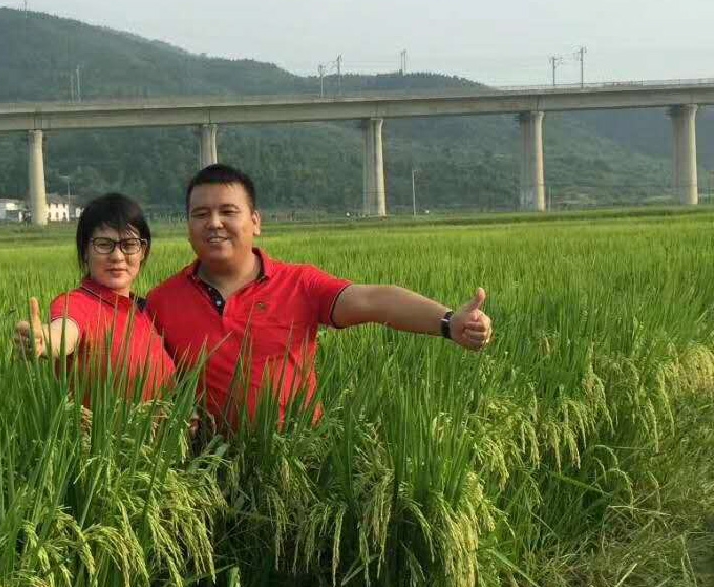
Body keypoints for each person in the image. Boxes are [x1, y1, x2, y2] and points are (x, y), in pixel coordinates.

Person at [146, 164, 493, 430]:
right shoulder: (161, 302)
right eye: (201, 214)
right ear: (188, 226)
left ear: (255, 222)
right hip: (208, 475)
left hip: (297, 462)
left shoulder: (299, 283)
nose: (214, 223)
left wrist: (449, 323)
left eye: (228, 212)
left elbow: (375, 301)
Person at [15, 192, 176, 400]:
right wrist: (42, 340)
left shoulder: (145, 312)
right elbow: (63, 333)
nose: (117, 256)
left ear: (142, 251)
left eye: (129, 245)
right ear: (85, 251)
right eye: (103, 244)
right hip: (101, 432)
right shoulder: (77, 304)